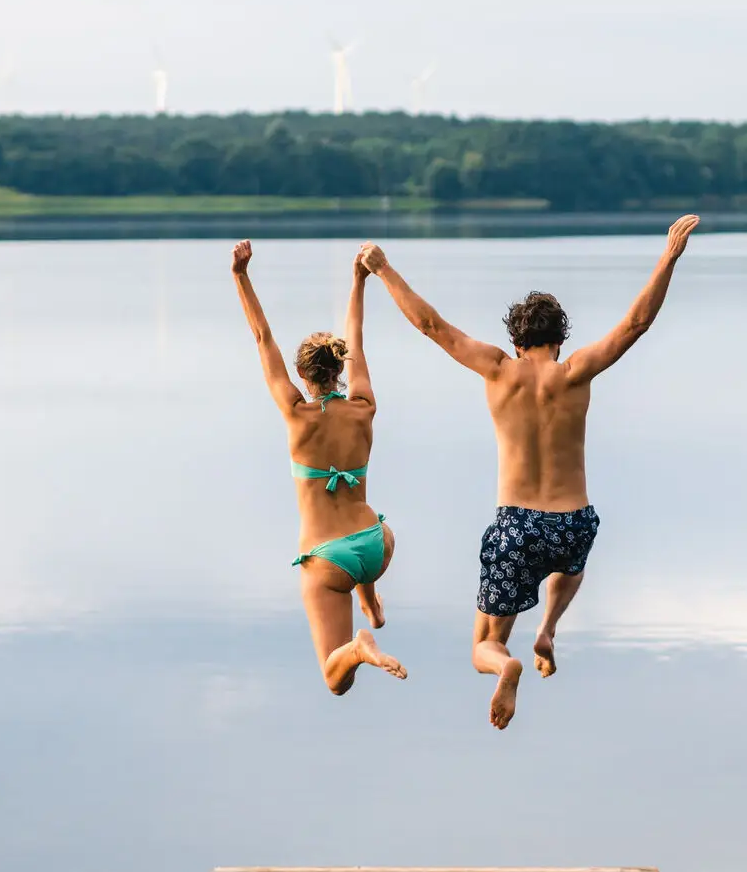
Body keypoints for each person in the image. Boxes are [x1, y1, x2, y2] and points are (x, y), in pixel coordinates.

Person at [358, 214, 699, 729]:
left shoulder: (498, 368)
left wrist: (383, 270)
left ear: (517, 342)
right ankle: (549, 628)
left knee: (484, 643)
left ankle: (509, 663)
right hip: (573, 521)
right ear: (558, 340)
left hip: (517, 525)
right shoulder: (576, 370)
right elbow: (635, 324)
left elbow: (431, 325)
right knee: (572, 562)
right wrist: (668, 257)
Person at [231, 239, 406, 694]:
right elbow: (358, 335)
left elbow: (261, 337)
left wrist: (241, 276)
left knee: (335, 678)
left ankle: (360, 645)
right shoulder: (363, 405)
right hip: (377, 544)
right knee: (367, 517)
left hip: (331, 559)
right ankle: (371, 602)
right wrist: (357, 279)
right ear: (340, 368)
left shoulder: (296, 414)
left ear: (303, 377)